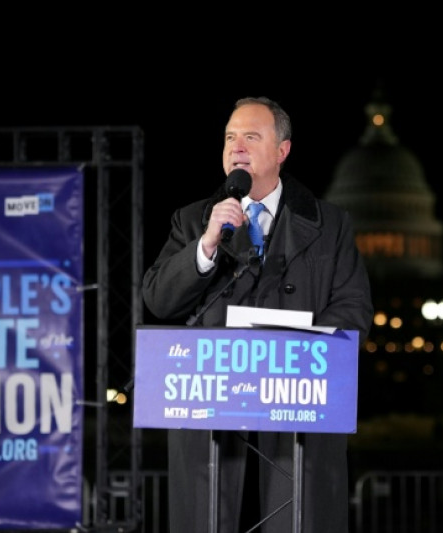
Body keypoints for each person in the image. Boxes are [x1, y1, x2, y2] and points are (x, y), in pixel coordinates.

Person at [142, 96, 373, 533]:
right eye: (230, 137)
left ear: (282, 151)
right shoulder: (193, 221)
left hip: (298, 418)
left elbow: (354, 308)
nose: (237, 147)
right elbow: (158, 299)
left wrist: (302, 352)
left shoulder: (331, 224)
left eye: (251, 136)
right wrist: (207, 246)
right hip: (211, 425)